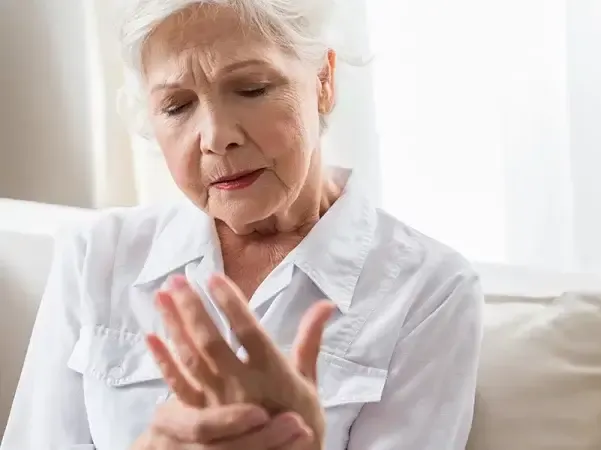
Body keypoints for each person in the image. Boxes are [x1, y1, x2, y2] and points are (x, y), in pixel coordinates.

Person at [0, 0, 483, 449]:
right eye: (177, 106)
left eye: (251, 89)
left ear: (323, 80)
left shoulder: (429, 289)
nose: (215, 137)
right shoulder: (96, 257)